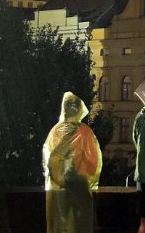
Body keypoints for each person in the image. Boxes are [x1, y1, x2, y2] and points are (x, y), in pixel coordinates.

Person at [42, 92, 102, 233]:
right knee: (81, 223)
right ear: (79, 110)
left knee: (60, 223)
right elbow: (93, 161)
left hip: (56, 184)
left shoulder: (54, 131)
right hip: (78, 182)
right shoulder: (84, 131)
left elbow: (48, 156)